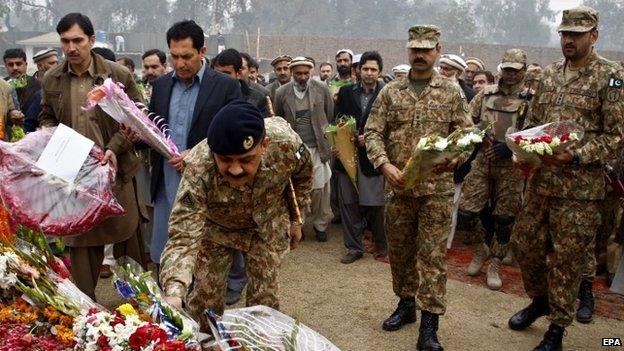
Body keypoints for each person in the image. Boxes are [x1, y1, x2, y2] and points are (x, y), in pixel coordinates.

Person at [508, 7, 624, 350]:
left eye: (576, 34)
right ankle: (540, 300)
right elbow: (533, 126)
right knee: (524, 244)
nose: (568, 40)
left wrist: (577, 155)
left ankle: (557, 328)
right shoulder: (546, 76)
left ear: (594, 36)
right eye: (564, 34)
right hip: (541, 183)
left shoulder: (612, 76)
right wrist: (522, 152)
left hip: (580, 190)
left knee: (567, 259)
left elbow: (617, 136)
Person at [160, 101, 313, 331]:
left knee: (265, 301)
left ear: (264, 145)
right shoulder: (199, 167)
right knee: (205, 301)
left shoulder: (286, 144)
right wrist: (174, 292)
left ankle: (261, 343)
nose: (235, 170)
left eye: (245, 160)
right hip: (217, 229)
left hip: (266, 226)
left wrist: (296, 219)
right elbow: (183, 235)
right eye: (225, 160)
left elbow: (303, 176)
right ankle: (205, 343)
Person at [365, 25, 472, 350]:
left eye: (427, 49)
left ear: (438, 50)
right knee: (400, 253)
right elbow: (372, 133)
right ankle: (406, 305)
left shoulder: (452, 92)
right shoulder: (390, 92)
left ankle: (429, 325)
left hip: (436, 193)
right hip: (399, 189)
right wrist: (384, 165)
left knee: (433, 258)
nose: (421, 55)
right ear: (408, 50)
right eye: (415, 49)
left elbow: (467, 136)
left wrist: (455, 158)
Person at [38, 13, 147, 300]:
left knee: (127, 240)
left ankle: (140, 308)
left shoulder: (116, 74)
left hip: (116, 171)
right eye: (65, 41)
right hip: (76, 177)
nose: (71, 47)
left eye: (78, 40)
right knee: (80, 242)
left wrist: (114, 147)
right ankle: (87, 311)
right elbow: (47, 116)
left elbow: (138, 117)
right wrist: (50, 137)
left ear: (91, 40)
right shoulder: (52, 78)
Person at [145, 20, 242, 269]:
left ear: (202, 51)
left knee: (204, 258)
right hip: (167, 184)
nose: (179, 63)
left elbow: (235, 133)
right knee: (166, 254)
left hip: (207, 184)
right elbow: (153, 130)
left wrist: (196, 153)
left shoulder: (225, 86)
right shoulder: (161, 86)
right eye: (174, 56)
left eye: (186, 56)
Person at [457, 49, 529, 290]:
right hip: (483, 159)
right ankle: (481, 249)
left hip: (513, 166)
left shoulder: (531, 99)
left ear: (523, 71)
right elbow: (467, 121)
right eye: (506, 69)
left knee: (504, 219)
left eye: (514, 70)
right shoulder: (486, 94)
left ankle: (495, 262)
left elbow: (537, 134)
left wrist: (510, 149)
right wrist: (479, 134)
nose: (509, 74)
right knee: (466, 212)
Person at [334, 51, 387, 264]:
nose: (369, 73)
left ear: (380, 72)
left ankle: (381, 244)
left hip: (374, 158)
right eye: (365, 69)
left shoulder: (387, 93)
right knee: (348, 203)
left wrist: (372, 137)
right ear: (358, 70)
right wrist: (339, 140)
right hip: (347, 156)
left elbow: (391, 126)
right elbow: (337, 120)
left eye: (373, 69)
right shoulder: (346, 92)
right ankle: (354, 248)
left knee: (375, 204)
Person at [274, 57, 334, 242]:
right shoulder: (281, 92)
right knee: (295, 186)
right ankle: (298, 223)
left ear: (311, 73)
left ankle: (320, 224)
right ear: (292, 73)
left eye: (306, 73)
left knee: (319, 188)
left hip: (316, 146)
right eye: (298, 73)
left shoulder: (321, 88)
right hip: (295, 149)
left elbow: (329, 113)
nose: (302, 77)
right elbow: (278, 118)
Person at [212, 49, 268, 117]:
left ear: (238, 73)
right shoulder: (207, 95)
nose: (221, 78)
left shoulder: (257, 98)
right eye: (217, 74)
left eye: (226, 73)